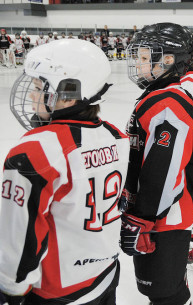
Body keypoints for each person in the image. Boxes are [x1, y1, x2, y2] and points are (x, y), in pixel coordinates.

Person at [0, 39, 129, 304]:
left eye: (38, 87)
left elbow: (19, 237)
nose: (32, 96)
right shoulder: (117, 137)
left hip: (55, 290)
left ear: (69, 92)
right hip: (105, 273)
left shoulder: (36, 152)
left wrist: (10, 289)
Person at [121, 23, 193, 305]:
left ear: (168, 60)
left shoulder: (169, 102)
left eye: (145, 58)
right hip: (161, 214)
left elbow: (164, 169)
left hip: (163, 217)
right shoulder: (160, 95)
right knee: (166, 287)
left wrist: (143, 219)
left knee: (163, 292)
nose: (138, 63)